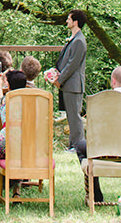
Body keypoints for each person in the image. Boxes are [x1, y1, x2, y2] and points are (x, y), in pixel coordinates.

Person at [75, 65, 121, 205]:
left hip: (101, 152)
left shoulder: (98, 100)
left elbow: (92, 129)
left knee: (81, 146)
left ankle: (96, 195)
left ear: (113, 81)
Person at [0, 69, 28, 203]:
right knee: (18, 160)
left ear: (8, 86)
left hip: (4, 141)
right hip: (25, 142)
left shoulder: (4, 100)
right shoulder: (30, 102)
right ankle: (16, 193)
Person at [53, 9, 87, 149]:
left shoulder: (79, 41)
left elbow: (72, 64)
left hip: (74, 85)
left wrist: (59, 80)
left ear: (75, 22)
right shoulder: (74, 39)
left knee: (75, 117)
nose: (67, 21)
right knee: (71, 117)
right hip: (68, 85)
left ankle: (78, 145)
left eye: (69, 19)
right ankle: (74, 144)